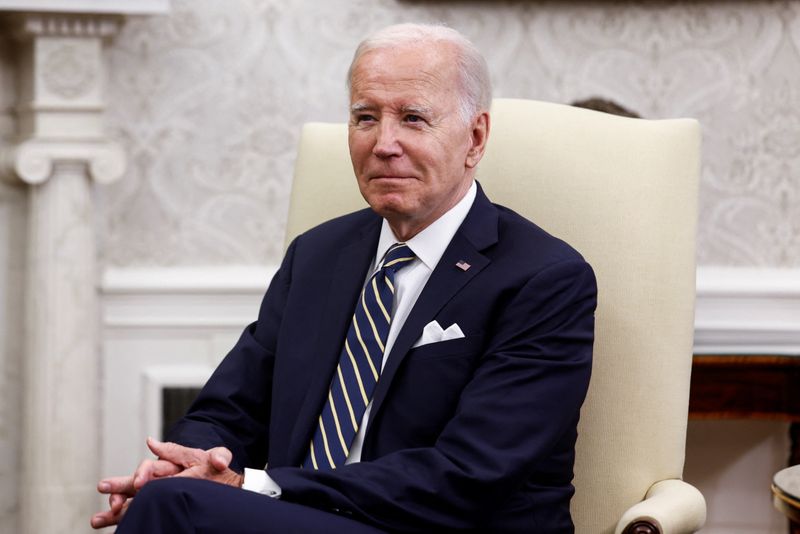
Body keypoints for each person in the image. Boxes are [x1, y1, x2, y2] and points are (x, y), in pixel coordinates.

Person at [91, 23, 597, 533]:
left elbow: (471, 475)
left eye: (413, 118)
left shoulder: (544, 278)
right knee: (173, 495)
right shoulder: (317, 255)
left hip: (435, 525)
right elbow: (228, 410)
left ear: (476, 137)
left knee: (171, 509)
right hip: (293, 516)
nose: (384, 144)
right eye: (365, 118)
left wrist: (259, 487)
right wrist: (188, 464)